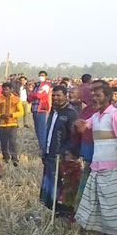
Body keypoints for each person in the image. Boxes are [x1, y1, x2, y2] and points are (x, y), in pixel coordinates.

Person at [73, 86, 117, 235]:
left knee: (111, 201)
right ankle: (101, 230)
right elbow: (83, 127)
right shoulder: (96, 116)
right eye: (93, 95)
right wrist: (79, 125)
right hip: (97, 164)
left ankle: (116, 234)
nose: (94, 98)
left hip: (111, 165)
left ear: (108, 97)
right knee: (97, 199)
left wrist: (116, 150)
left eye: (98, 95)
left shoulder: (116, 115)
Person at [39, 85, 80, 218]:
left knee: (61, 186)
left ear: (65, 96)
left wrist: (65, 152)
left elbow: (74, 137)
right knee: (49, 186)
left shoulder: (71, 113)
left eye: (58, 95)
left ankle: (64, 212)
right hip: (49, 155)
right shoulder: (53, 110)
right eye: (53, 95)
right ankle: (54, 210)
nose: (55, 98)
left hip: (61, 158)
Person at [0, 81, 24, 166]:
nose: (5, 91)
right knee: (3, 142)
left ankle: (14, 158)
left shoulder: (16, 99)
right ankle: (6, 158)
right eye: (3, 90)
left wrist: (12, 115)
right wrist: (0, 115)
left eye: (7, 90)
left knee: (12, 141)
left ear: (11, 90)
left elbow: (21, 112)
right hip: (1, 124)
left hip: (13, 124)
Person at [28, 71, 53, 150]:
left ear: (46, 77)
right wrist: (32, 95)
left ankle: (44, 147)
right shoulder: (36, 85)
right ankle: (41, 146)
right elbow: (29, 97)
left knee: (41, 130)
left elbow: (38, 95)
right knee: (37, 129)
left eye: (42, 75)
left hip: (41, 108)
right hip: (34, 108)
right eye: (40, 75)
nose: (41, 77)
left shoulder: (46, 86)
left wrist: (32, 95)